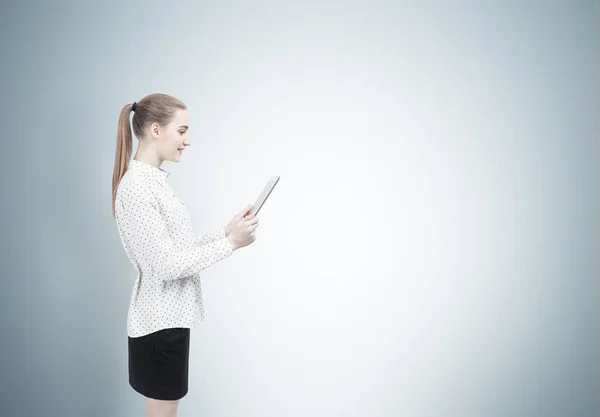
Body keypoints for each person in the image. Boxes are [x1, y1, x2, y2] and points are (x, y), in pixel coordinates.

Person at [111, 93, 259, 417]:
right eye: (182, 131)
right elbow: (166, 266)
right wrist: (230, 244)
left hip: (168, 323)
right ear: (155, 130)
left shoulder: (153, 182)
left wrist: (226, 231)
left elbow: (177, 248)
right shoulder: (137, 186)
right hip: (158, 328)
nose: (187, 140)